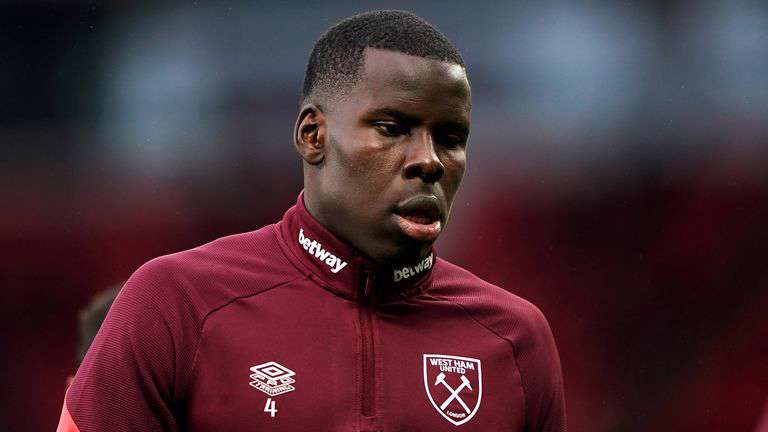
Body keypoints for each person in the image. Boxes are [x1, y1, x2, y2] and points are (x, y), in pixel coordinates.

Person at [57, 10, 565, 431]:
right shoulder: (176, 303)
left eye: (451, 139)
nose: (429, 161)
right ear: (312, 136)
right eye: (392, 128)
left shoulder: (514, 339)